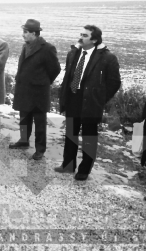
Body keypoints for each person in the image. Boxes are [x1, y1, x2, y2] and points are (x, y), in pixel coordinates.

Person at [56, 25, 121, 179]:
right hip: (73, 99)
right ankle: (68, 164)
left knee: (89, 137)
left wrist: (100, 99)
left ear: (95, 39)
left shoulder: (107, 58)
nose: (81, 37)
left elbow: (114, 82)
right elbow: (68, 76)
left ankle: (84, 170)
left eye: (85, 35)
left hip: (91, 103)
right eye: (81, 34)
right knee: (70, 134)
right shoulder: (73, 53)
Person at [10, 19, 61, 160]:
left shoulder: (47, 48)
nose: (23, 35)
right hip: (24, 90)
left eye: (25, 32)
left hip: (39, 93)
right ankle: (23, 140)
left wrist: (43, 82)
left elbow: (55, 69)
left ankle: (40, 149)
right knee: (24, 118)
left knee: (39, 122)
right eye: (23, 32)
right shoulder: (25, 46)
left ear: (34, 33)